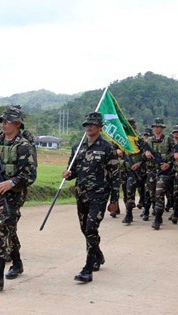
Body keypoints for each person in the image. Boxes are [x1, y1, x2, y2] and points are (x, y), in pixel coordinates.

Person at [0, 105, 37, 290]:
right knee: (8, 230)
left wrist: (11, 183)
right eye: (2, 121)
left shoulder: (24, 146)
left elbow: (30, 175)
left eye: (7, 121)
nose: (3, 124)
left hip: (12, 195)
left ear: (17, 123)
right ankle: (17, 263)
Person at [62, 112, 120, 283]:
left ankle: (87, 269)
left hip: (99, 195)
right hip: (81, 194)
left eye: (93, 124)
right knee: (84, 229)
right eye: (87, 124)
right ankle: (98, 254)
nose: (89, 127)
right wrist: (68, 174)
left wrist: (114, 200)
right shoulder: (77, 146)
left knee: (91, 228)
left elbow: (115, 175)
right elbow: (73, 170)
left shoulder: (107, 148)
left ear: (100, 127)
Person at [144, 117, 175, 230]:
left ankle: (157, 218)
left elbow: (174, 153)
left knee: (159, 193)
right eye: (155, 127)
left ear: (162, 128)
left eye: (159, 127)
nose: (157, 129)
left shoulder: (168, 139)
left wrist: (169, 163)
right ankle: (157, 211)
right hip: (151, 170)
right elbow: (142, 155)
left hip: (163, 171)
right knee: (152, 194)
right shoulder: (148, 141)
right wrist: (145, 154)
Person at [120, 118, 146, 224]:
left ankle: (131, 213)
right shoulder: (120, 140)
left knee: (133, 191)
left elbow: (146, 154)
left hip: (137, 171)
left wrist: (139, 163)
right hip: (124, 170)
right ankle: (128, 213)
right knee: (126, 193)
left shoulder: (138, 140)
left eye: (132, 128)